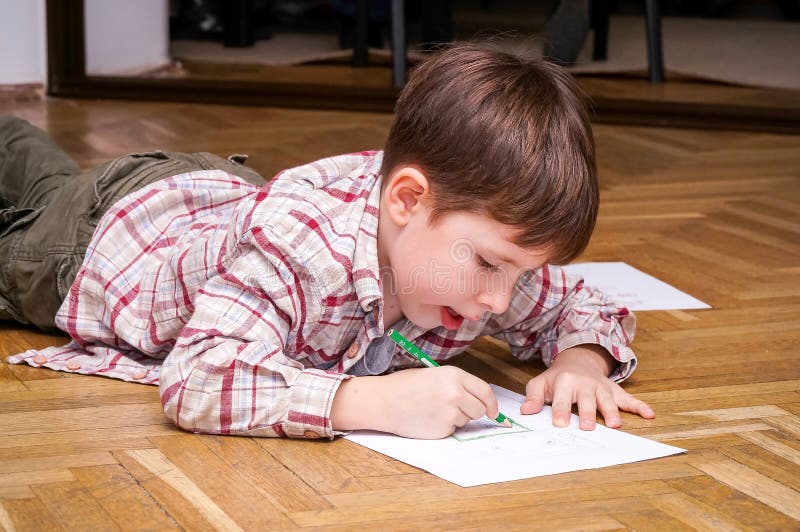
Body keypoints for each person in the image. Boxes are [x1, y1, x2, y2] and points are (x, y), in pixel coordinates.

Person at [2, 42, 654, 440]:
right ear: (405, 200)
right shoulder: (301, 252)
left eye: (516, 273)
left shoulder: (478, 263)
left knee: (45, 175)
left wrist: (581, 363)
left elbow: (575, 304)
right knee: (37, 215)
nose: (499, 298)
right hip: (101, 247)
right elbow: (199, 379)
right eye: (489, 264)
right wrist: (363, 400)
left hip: (213, 190)